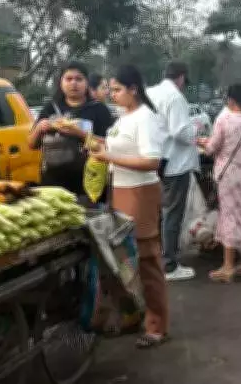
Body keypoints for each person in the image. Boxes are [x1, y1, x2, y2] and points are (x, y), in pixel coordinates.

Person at [88, 64, 170, 348]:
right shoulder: (126, 116)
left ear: (133, 89)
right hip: (120, 190)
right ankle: (134, 314)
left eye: (117, 89)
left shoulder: (145, 118)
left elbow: (151, 161)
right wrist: (93, 142)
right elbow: (119, 148)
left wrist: (108, 157)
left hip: (140, 192)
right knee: (125, 260)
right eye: (110, 89)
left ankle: (157, 325)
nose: (112, 94)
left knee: (146, 260)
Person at [197, 84, 241, 283]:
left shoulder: (224, 119)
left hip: (228, 178)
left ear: (232, 100)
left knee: (229, 217)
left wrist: (203, 142)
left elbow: (211, 148)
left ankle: (228, 266)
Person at [28, 62, 114, 204]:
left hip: (88, 183)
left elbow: (109, 145)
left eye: (79, 79)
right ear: (61, 82)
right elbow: (31, 144)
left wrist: (80, 133)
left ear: (86, 83)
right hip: (52, 182)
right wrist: (39, 129)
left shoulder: (99, 110)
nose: (74, 83)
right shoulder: (50, 108)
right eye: (69, 79)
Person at [146, 61, 199, 281]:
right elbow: (181, 133)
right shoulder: (175, 97)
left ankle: (156, 258)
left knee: (158, 212)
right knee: (172, 214)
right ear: (181, 78)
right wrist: (198, 126)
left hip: (155, 159)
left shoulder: (150, 92)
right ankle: (169, 265)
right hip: (175, 164)